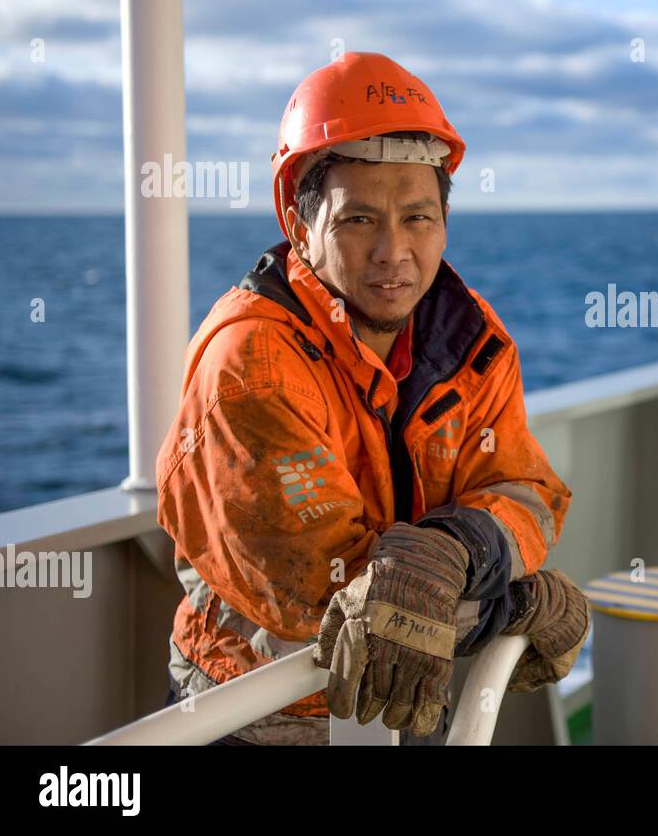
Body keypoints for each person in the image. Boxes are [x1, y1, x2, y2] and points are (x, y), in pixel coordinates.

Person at [155, 51, 587, 745]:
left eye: (418, 217)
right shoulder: (252, 363)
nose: (393, 251)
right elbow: (329, 594)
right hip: (257, 718)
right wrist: (514, 599)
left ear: (444, 222)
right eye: (358, 220)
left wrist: (459, 544)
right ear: (299, 227)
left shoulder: (476, 343)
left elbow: (520, 487)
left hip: (412, 705)